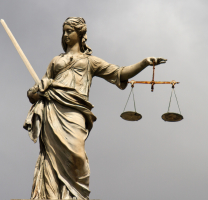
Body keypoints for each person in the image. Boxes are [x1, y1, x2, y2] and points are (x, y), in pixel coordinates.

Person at [24, 17, 167, 199]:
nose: (66, 34)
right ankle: (52, 195)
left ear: (81, 34)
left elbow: (119, 73)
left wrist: (144, 63)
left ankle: (76, 194)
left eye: (70, 31)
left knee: (77, 156)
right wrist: (36, 91)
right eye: (64, 31)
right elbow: (35, 94)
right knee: (51, 156)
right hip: (52, 110)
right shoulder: (55, 61)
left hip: (75, 111)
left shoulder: (90, 61)